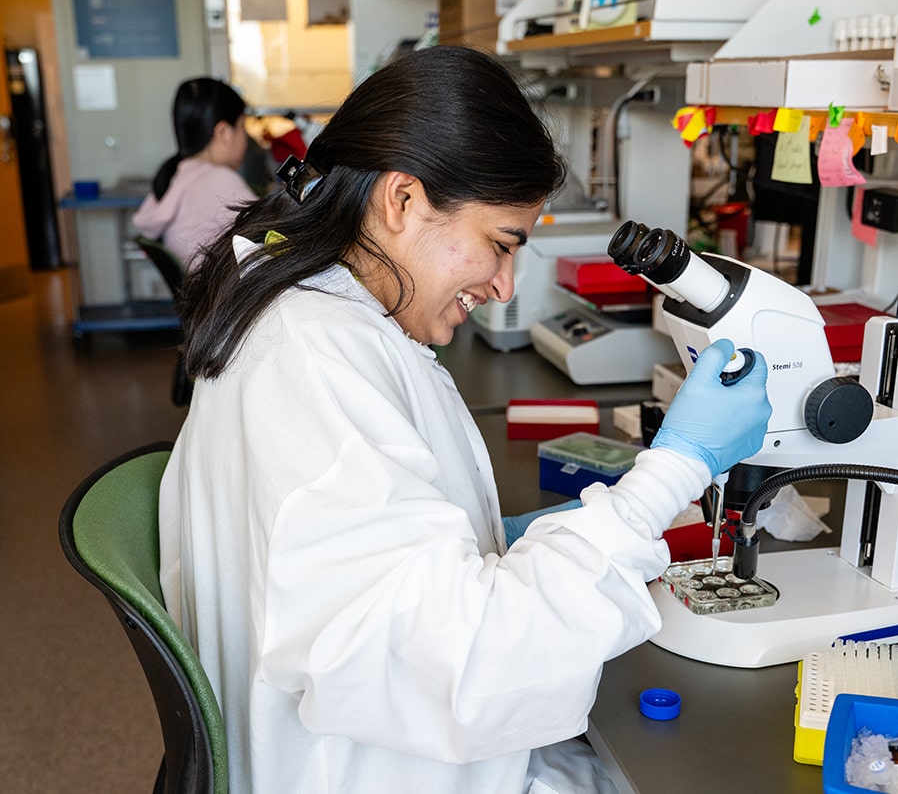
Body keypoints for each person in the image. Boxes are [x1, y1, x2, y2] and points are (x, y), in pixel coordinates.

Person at [159, 46, 772, 794]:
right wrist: (672, 470)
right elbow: (467, 665)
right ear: (402, 200)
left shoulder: (308, 307)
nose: (506, 286)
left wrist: (500, 535)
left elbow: (372, 544)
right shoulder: (316, 355)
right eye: (500, 244)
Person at [133, 76, 256, 270]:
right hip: (219, 289)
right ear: (223, 132)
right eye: (242, 127)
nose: (246, 139)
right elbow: (270, 236)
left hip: (199, 288)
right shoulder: (219, 180)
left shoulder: (178, 175)